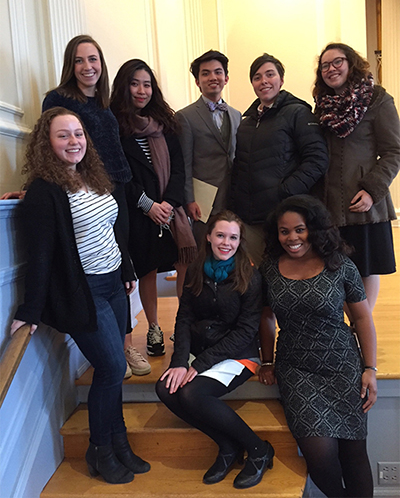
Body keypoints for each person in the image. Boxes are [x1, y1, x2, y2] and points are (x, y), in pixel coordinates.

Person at [10, 107, 150, 484]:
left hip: (114, 283)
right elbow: (40, 255)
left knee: (114, 371)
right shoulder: (44, 190)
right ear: (47, 142)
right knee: (110, 367)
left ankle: (120, 443)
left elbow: (114, 230)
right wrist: (30, 309)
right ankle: (99, 449)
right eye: (63, 135)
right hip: (84, 291)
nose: (74, 141)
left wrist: (126, 270)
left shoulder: (94, 175)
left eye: (78, 134)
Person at [42, 35, 150, 376]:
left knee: (122, 265)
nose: (88, 67)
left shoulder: (104, 105)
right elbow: (49, 147)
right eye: (79, 60)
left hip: (115, 188)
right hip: (83, 192)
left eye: (94, 60)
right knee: (97, 267)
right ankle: (115, 351)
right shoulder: (58, 99)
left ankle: (127, 347)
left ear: (102, 65)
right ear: (70, 65)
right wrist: (34, 189)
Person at [259, 195, 377, 498]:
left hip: (342, 364)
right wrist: (268, 361)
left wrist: (370, 369)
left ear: (315, 228)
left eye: (299, 229)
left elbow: (362, 318)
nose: (292, 238)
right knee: (320, 457)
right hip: (297, 370)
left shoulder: (339, 264)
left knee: (354, 454)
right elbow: (266, 318)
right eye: (284, 231)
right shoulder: (269, 269)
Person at [156, 210, 274, 489]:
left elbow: (246, 331)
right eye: (220, 235)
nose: (226, 243)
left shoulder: (250, 276)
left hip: (239, 354)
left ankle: (258, 449)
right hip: (203, 349)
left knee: (193, 393)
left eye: (233, 237)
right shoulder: (196, 270)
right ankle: (227, 445)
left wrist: (199, 365)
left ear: (240, 241)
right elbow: (184, 317)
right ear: (208, 237)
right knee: (166, 388)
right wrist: (180, 361)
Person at [110, 59, 197, 357]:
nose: (141, 90)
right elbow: (120, 176)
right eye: (135, 83)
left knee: (183, 261)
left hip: (171, 210)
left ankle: (182, 324)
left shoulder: (166, 123)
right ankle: (153, 327)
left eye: (147, 84)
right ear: (124, 85)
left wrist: (169, 204)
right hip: (138, 212)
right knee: (147, 268)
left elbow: (179, 170)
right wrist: (148, 206)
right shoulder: (116, 126)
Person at [313, 42, 400, 317]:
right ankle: (342, 331)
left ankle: (361, 329)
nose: (331, 69)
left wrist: (372, 190)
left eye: (337, 61)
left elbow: (394, 151)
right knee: (335, 269)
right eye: (324, 65)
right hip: (329, 206)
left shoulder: (377, 100)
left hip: (364, 205)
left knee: (366, 267)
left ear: (351, 63)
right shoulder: (321, 107)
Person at [231, 53, 328, 267]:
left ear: (281, 80)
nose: (263, 81)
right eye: (257, 77)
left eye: (270, 74)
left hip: (286, 215)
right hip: (252, 218)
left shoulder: (298, 113)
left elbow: (317, 159)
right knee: (264, 274)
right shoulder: (246, 123)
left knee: (292, 271)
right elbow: (240, 167)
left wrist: (285, 192)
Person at [175, 50, 241, 244]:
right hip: (203, 200)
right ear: (197, 81)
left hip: (233, 195)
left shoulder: (236, 114)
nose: (213, 77)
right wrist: (189, 199)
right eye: (205, 73)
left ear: (226, 78)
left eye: (218, 72)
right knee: (204, 250)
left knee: (231, 249)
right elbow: (184, 163)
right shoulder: (185, 117)